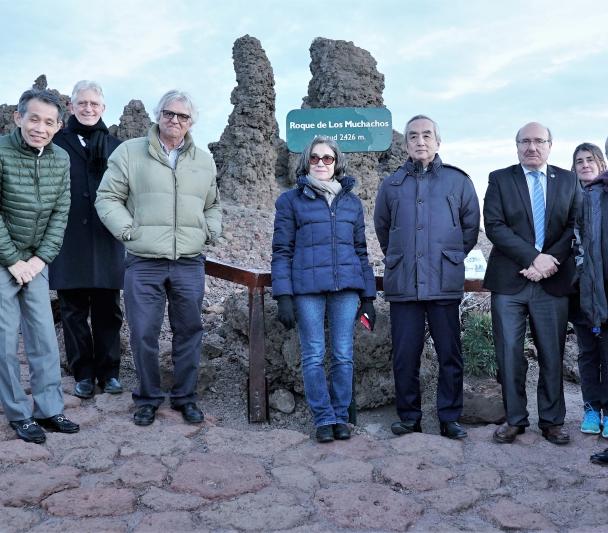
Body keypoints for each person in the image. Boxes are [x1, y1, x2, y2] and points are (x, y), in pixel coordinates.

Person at [95, 90, 221, 426]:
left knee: (189, 330)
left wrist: (210, 230)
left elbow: (213, 204)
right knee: (143, 333)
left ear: (191, 122)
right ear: (158, 115)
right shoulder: (130, 152)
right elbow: (107, 198)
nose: (174, 120)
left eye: (182, 116)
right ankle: (148, 398)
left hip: (189, 261)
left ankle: (185, 398)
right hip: (144, 260)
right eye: (169, 113)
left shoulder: (204, 160)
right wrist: (128, 232)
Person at [374, 115, 480, 440]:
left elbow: (470, 229)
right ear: (405, 144)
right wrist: (403, 257)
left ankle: (449, 418)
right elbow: (383, 230)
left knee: (450, 353)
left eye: (427, 135)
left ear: (438, 140)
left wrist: (446, 258)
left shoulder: (458, 181)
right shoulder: (391, 185)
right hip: (404, 284)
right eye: (414, 136)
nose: (421, 141)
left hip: (444, 283)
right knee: (405, 355)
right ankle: (409, 418)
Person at [272, 136, 376, 443]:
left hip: (346, 289)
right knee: (313, 354)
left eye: (327, 158)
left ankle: (341, 416)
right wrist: (283, 296)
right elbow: (281, 251)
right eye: (315, 158)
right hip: (307, 290)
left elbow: (361, 250)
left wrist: (368, 297)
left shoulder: (352, 203)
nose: (320, 163)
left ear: (337, 163)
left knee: (343, 355)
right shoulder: (290, 201)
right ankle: (324, 418)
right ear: (306, 163)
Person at [484, 122, 580, 445]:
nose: (532, 147)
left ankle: (552, 421)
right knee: (509, 352)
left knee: (551, 353)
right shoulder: (499, 179)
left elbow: (574, 225)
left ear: (550, 145)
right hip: (510, 282)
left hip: (552, 281)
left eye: (539, 141)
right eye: (525, 141)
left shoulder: (568, 180)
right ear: (517, 146)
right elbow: (494, 226)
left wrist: (549, 260)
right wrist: (531, 258)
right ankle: (515, 419)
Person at [0, 89, 79, 443]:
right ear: (18, 118)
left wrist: (39, 259)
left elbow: (61, 211)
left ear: (58, 126)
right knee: (4, 341)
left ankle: (49, 409)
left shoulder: (61, 159)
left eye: (49, 122)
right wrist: (13, 260)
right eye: (33, 119)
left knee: (44, 338)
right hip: (4, 258)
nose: (40, 128)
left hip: (35, 260)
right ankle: (18, 413)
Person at [49, 81, 124, 399]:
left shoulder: (117, 146)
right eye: (82, 103)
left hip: (107, 238)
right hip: (69, 239)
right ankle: (82, 373)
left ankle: (110, 373)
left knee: (109, 310)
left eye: (94, 103)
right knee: (73, 310)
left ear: (103, 108)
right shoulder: (57, 143)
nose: (88, 108)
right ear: (71, 107)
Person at [572, 142, 608, 437]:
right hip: (577, 290)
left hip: (604, 289)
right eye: (579, 161)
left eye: (590, 159)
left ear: (601, 162)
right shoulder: (570, 198)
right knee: (586, 352)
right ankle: (590, 408)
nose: (585, 165)